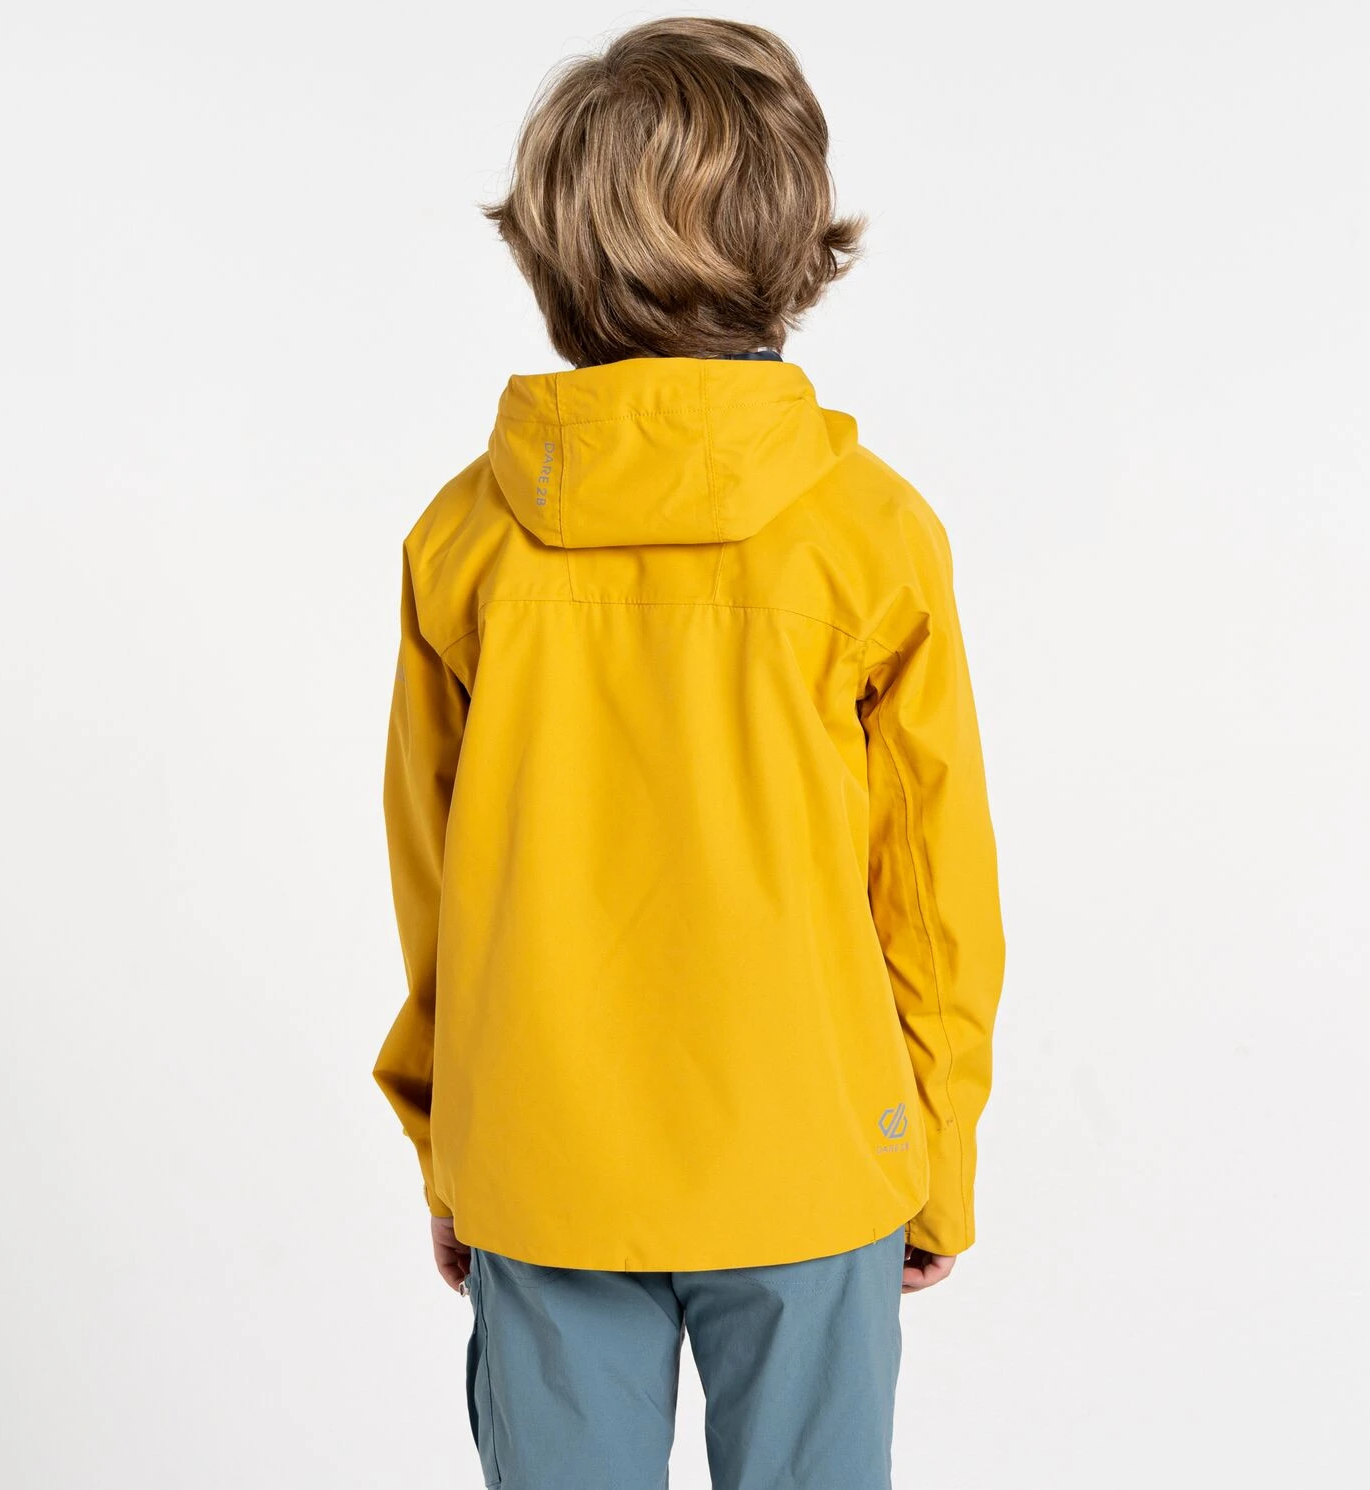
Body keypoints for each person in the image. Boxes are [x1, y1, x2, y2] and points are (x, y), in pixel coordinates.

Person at [373, 17, 1006, 1490]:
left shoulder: (463, 539)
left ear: (550, 247)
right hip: (812, 1150)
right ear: (795, 240)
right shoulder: (869, 532)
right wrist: (936, 1155)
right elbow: (931, 889)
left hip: (543, 1154)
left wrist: (450, 1143)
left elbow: (436, 884)